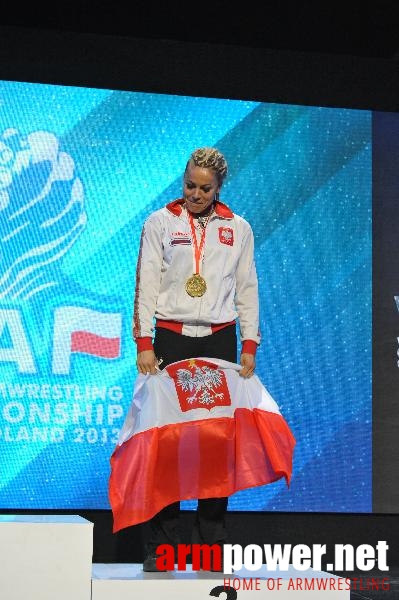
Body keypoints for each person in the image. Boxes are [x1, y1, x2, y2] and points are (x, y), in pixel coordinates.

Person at [132, 146, 261, 571]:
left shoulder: (238, 228)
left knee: (213, 448)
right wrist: (143, 340)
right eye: (190, 184)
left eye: (205, 188)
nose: (196, 193)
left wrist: (249, 343)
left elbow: (247, 288)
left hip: (219, 343)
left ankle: (211, 548)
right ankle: (162, 548)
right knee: (165, 445)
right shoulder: (160, 222)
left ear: (219, 187)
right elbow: (147, 281)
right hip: (170, 339)